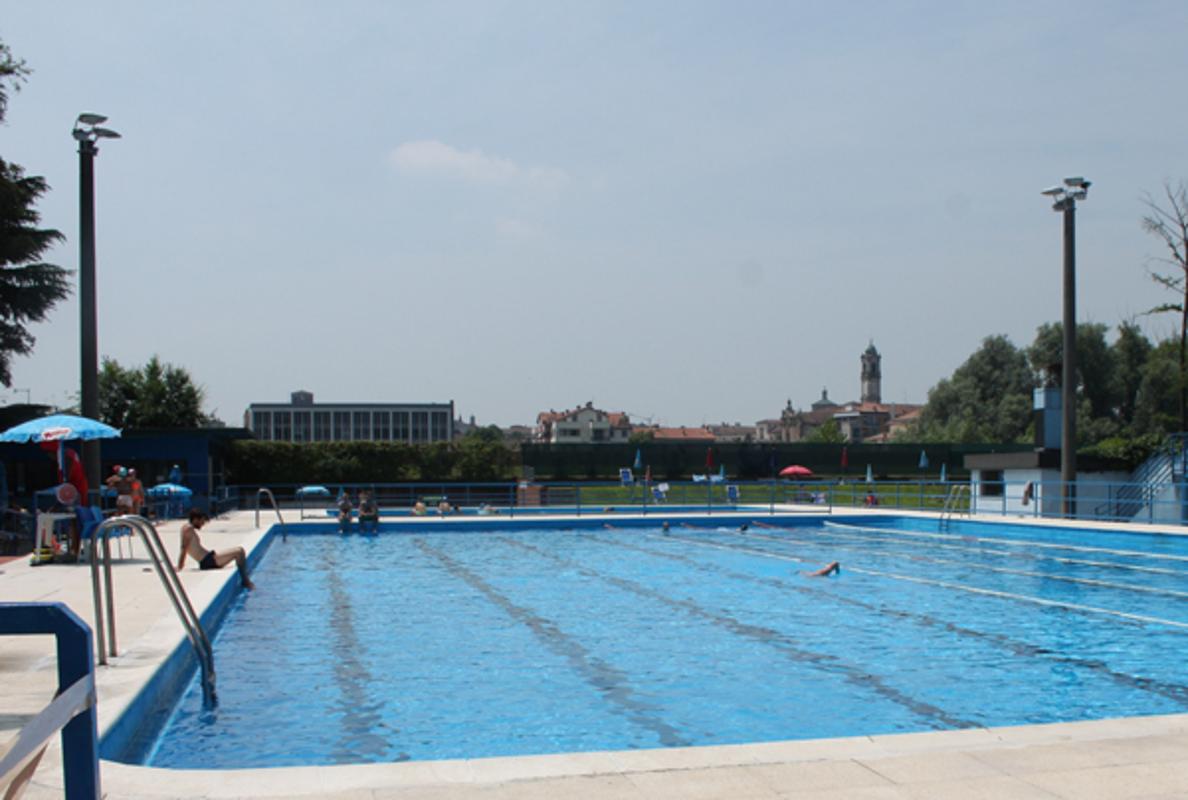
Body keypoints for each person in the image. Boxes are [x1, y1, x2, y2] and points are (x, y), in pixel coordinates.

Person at [177, 509, 255, 589]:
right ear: (195, 520)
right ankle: (246, 581)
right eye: (202, 521)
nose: (203, 524)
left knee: (239, 550)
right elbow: (184, 547)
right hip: (208, 561)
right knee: (239, 552)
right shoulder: (188, 529)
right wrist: (180, 566)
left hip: (209, 558)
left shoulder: (187, 528)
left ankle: (245, 580)